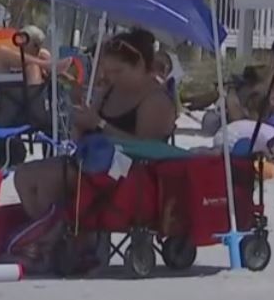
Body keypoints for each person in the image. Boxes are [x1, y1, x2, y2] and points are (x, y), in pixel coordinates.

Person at [13, 29, 177, 221]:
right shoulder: (111, 89)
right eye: (108, 72)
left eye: (118, 71)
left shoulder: (156, 100)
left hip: (129, 171)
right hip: (95, 160)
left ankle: (52, 237)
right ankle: (43, 234)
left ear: (140, 65)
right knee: (22, 176)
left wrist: (99, 124)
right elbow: (84, 131)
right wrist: (81, 122)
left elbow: (147, 150)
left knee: (46, 181)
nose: (111, 78)